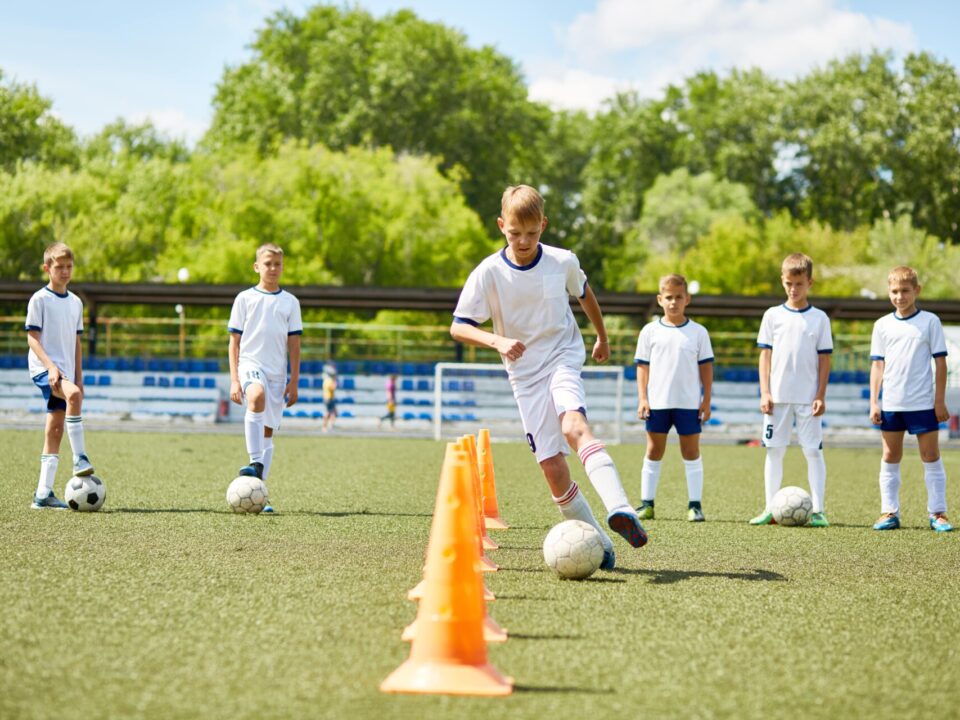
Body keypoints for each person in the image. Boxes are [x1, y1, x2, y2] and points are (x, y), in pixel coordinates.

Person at [450, 184, 647, 571]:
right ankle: (602, 545)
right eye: (514, 233)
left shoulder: (562, 261)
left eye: (532, 233)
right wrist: (497, 340)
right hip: (524, 376)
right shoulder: (488, 272)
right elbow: (459, 326)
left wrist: (602, 337)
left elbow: (585, 293)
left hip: (562, 358)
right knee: (552, 468)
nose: (524, 241)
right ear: (501, 225)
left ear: (544, 225)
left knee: (575, 425)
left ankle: (621, 508)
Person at [750, 253, 832, 527]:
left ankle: (818, 510)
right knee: (774, 451)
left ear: (810, 282)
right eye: (788, 283)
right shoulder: (772, 315)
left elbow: (824, 358)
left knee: (813, 451)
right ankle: (770, 508)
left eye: (799, 283)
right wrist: (765, 392)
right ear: (782, 282)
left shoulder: (819, 318)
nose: (793, 289)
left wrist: (820, 395)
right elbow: (765, 356)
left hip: (808, 400)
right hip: (778, 398)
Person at [869, 266, 952, 532]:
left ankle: (938, 513)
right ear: (888, 292)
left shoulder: (930, 322)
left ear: (917, 291)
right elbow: (877, 366)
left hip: (923, 404)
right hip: (892, 404)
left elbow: (941, 364)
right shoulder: (882, 325)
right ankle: (889, 512)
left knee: (930, 455)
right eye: (894, 291)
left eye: (905, 290)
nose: (900, 296)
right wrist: (874, 401)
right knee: (890, 455)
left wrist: (939, 401)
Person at [228, 242, 302, 512]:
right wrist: (235, 379)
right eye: (267, 263)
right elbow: (234, 342)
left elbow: (294, 344)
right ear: (257, 266)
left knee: (268, 432)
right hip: (250, 364)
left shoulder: (290, 303)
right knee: (255, 397)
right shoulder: (244, 299)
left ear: (282, 267)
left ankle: (260, 490)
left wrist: (294, 381)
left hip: (277, 373)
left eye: (277, 264)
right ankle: (255, 461)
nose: (272, 268)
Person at [634, 274, 714, 522]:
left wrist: (706, 400)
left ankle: (695, 506)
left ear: (687, 299)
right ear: (660, 299)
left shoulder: (698, 332)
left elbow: (706, 368)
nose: (673, 302)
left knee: (691, 452)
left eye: (679, 297)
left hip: (689, 404)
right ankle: (647, 504)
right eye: (668, 297)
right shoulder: (650, 331)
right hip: (657, 403)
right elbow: (643, 367)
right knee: (653, 450)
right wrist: (643, 398)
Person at [25, 242, 95, 509]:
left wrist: (79, 378)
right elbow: (32, 338)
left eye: (69, 266)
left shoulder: (76, 303)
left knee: (54, 429)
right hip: (44, 369)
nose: (65, 271)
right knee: (72, 395)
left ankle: (43, 494)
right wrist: (51, 367)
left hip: (66, 371)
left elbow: (76, 344)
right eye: (59, 267)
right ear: (47, 269)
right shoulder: (39, 299)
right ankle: (80, 459)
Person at [321, 364, 338, 432]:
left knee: (334, 412)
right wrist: (335, 382)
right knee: (328, 413)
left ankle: (331, 426)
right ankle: (324, 426)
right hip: (328, 399)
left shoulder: (327, 380)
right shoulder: (329, 381)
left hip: (330, 398)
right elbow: (333, 387)